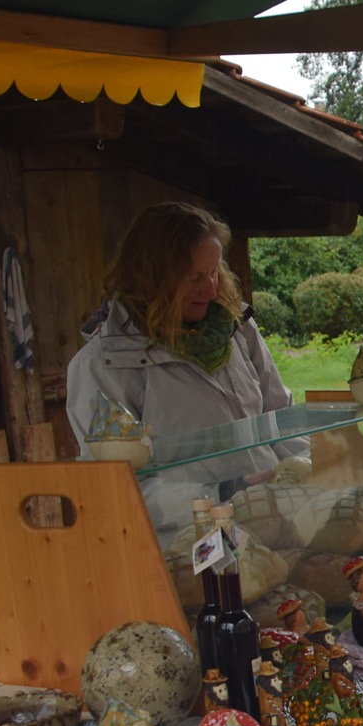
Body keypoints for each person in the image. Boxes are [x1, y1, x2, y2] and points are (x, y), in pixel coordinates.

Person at [66, 202, 293, 520]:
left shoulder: (237, 328)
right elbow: (113, 487)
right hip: (188, 542)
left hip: (270, 518)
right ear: (150, 278)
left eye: (214, 272)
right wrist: (221, 494)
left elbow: (282, 418)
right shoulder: (103, 364)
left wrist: (303, 474)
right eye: (193, 278)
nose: (211, 289)